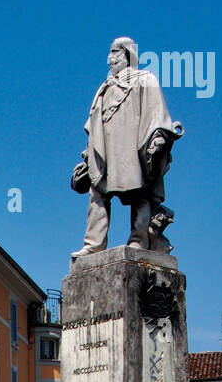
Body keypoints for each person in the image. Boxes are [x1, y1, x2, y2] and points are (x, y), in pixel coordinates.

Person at [71, 37, 182, 257]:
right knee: (97, 193)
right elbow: (94, 122)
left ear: (128, 54)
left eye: (114, 53)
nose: (109, 60)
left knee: (140, 191)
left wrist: (158, 137)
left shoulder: (145, 80)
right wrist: (88, 152)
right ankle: (94, 244)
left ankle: (139, 240)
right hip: (105, 148)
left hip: (131, 146)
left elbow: (157, 113)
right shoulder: (103, 88)